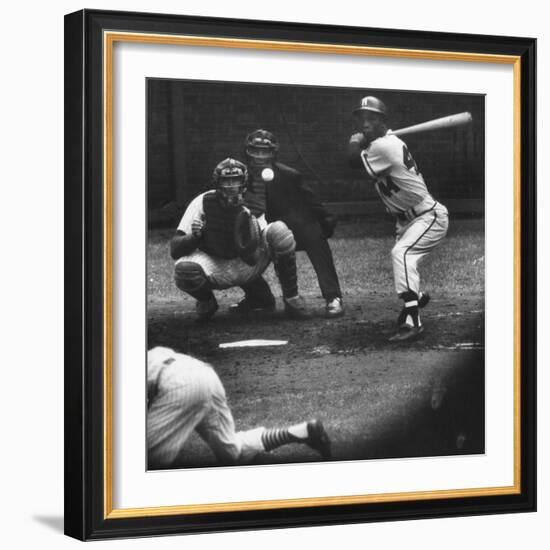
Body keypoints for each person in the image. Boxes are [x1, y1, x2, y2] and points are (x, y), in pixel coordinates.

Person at [347, 96, 449, 342]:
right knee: (403, 259)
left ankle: (413, 321)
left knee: (402, 255)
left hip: (428, 216)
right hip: (405, 220)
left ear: (383, 121)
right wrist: (363, 141)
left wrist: (354, 142)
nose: (364, 124)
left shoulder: (383, 146)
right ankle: (416, 298)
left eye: (371, 119)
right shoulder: (384, 142)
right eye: (362, 119)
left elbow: (352, 161)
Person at [170, 157, 309, 320]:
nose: (231, 186)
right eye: (226, 181)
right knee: (185, 271)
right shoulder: (202, 202)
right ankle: (207, 301)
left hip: (246, 263)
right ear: (217, 183)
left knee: (280, 232)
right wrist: (195, 236)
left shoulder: (253, 204)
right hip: (215, 263)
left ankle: (291, 297)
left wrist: (246, 237)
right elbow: (175, 249)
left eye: (235, 180)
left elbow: (252, 257)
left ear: (244, 182)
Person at [147, 346, 331, 468]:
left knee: (146, 463)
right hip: (205, 373)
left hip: (178, 384)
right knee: (232, 453)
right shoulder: (151, 353)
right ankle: (300, 431)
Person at [231, 129, 344, 318]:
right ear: (247, 152)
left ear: (273, 153)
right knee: (230, 238)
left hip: (283, 231)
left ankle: (333, 297)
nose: (260, 157)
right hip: (253, 233)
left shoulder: (289, 175)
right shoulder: (236, 176)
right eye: (255, 151)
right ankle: (259, 298)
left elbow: (313, 204)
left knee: (312, 232)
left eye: (264, 151)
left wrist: (325, 223)